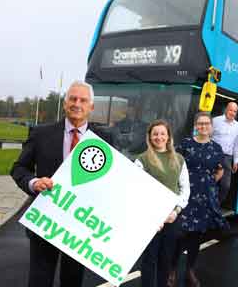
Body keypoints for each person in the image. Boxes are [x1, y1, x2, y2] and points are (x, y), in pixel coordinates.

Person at [10, 80, 110, 287]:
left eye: (83, 100)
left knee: (72, 281)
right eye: (72, 99)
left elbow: (114, 182)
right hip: (45, 221)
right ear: (65, 104)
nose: (77, 104)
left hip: (80, 225)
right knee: (39, 280)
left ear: (91, 107)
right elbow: (19, 168)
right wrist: (34, 182)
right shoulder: (40, 133)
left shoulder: (104, 139)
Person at [169, 112, 229, 287]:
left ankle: (190, 271)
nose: (203, 126)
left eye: (206, 124)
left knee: (196, 237)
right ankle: (172, 270)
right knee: (180, 234)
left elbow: (220, 170)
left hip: (204, 198)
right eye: (200, 123)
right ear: (196, 125)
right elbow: (175, 165)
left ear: (211, 127)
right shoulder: (186, 144)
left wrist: (209, 183)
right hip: (186, 195)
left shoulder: (217, 148)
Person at [134, 119, 190, 287]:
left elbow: (185, 189)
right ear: (150, 137)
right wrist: (152, 217)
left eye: (162, 134)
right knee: (149, 259)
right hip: (150, 220)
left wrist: (176, 211)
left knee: (166, 259)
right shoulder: (141, 160)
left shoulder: (179, 159)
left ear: (168, 136)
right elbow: (136, 191)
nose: (159, 137)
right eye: (155, 134)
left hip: (172, 218)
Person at [212, 102, 238, 203]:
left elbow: (237, 145)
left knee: (226, 186)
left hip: (227, 158)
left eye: (235, 111)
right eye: (230, 110)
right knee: (211, 182)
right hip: (213, 155)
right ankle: (208, 205)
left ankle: (217, 204)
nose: (232, 113)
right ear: (226, 109)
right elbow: (208, 136)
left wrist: (236, 161)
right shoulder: (216, 121)